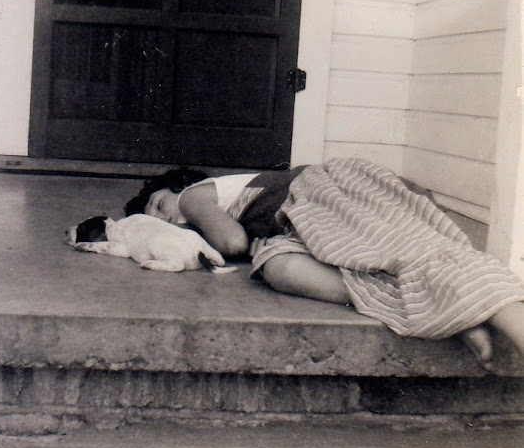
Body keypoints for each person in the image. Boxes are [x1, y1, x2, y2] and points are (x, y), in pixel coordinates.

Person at [125, 158, 524, 369]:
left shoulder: (195, 197)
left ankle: (484, 307)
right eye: (155, 220)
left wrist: (191, 226)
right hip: (299, 223)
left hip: (327, 191)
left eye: (159, 205)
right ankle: (459, 314)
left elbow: (231, 241)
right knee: (279, 266)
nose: (165, 219)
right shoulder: (250, 227)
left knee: (406, 249)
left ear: (178, 187)